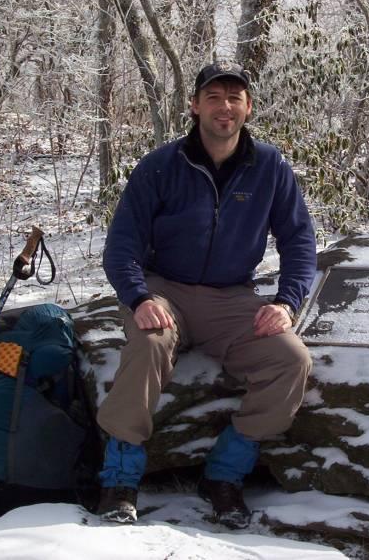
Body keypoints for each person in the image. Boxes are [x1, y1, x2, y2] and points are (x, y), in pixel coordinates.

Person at [95, 61, 317, 529]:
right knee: (149, 346)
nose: (225, 107)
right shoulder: (160, 166)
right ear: (194, 106)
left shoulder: (270, 167)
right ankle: (120, 481)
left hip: (229, 297)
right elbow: (121, 248)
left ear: (248, 108)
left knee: (290, 359)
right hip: (163, 289)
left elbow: (299, 242)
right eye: (214, 97)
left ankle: (224, 474)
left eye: (235, 98)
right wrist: (139, 298)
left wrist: (286, 303)